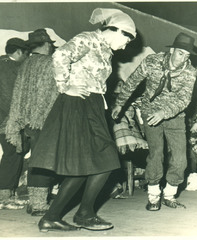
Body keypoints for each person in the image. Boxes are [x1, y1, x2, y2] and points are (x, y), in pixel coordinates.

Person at [26, 8, 136, 232]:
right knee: (99, 160)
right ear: (116, 30)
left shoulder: (106, 50)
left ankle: (61, 215)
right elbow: (60, 56)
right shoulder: (87, 39)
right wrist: (66, 86)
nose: (126, 46)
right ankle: (80, 214)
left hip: (93, 105)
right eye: (127, 39)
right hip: (78, 104)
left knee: (94, 163)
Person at [112, 32, 197, 211]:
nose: (183, 59)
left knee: (181, 158)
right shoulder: (152, 62)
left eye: (187, 55)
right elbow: (132, 82)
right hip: (150, 114)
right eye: (181, 53)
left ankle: (169, 194)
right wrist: (120, 103)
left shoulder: (190, 72)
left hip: (175, 116)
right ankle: (153, 195)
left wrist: (164, 112)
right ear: (172, 50)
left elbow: (184, 99)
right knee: (156, 154)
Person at [6, 29, 59, 216]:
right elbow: (54, 94)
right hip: (46, 120)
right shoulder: (51, 63)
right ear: (45, 45)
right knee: (45, 160)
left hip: (29, 121)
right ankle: (38, 204)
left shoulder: (26, 64)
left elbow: (19, 94)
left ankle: (34, 201)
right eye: (50, 44)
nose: (52, 47)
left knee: (37, 159)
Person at [0, 38, 29, 209]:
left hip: (4, 118)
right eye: (26, 54)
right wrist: (15, 119)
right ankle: (4, 196)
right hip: (6, 119)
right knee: (13, 153)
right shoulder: (9, 68)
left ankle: (6, 193)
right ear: (18, 52)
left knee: (14, 152)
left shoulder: (2, 63)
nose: (27, 57)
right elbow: (9, 97)